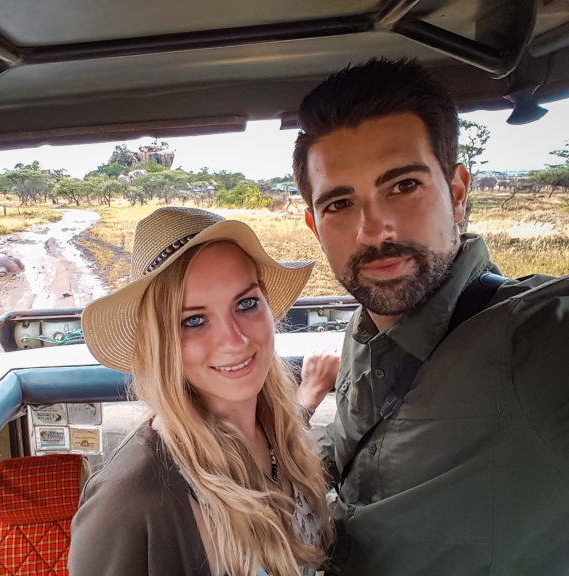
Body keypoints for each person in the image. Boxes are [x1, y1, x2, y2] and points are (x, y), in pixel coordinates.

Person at [292, 58, 569, 575]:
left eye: (403, 186)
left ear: (458, 193)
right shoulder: (367, 324)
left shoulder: (534, 336)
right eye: (340, 204)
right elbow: (350, 447)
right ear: (314, 223)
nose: (374, 231)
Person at [69, 206, 332, 576]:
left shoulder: (278, 429)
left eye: (246, 303)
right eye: (193, 320)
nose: (235, 340)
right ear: (160, 343)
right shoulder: (128, 499)